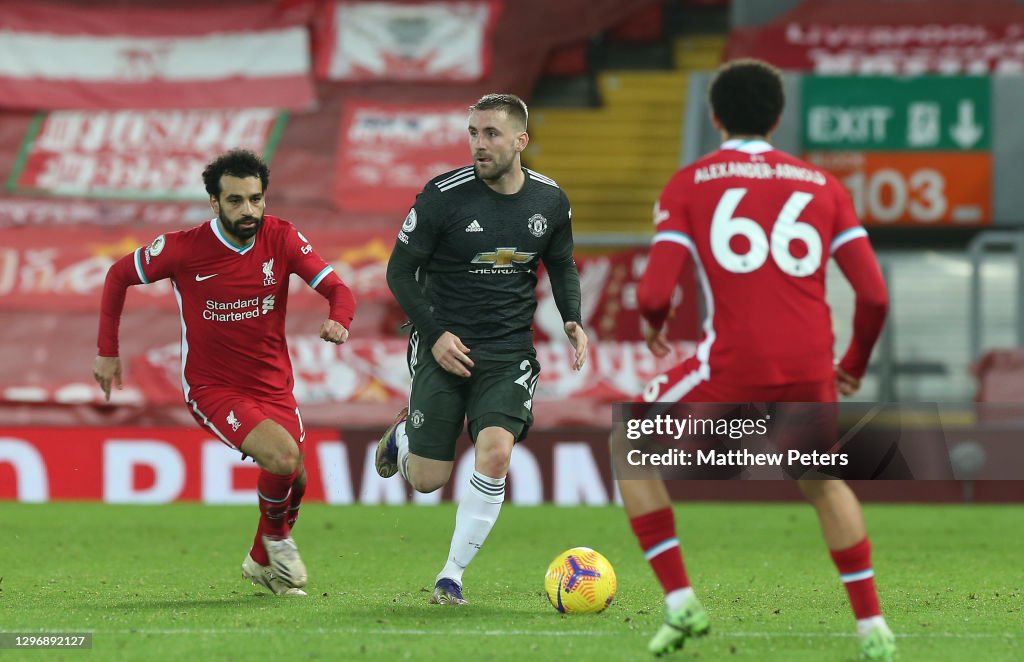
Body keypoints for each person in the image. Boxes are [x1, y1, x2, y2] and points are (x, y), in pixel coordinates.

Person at [612, 60, 895, 660]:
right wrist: (854, 362)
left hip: (733, 366)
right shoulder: (824, 186)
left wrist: (656, 328)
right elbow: (873, 295)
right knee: (822, 481)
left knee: (628, 449)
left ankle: (681, 601)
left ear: (715, 116)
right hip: (811, 366)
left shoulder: (690, 183)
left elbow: (655, 293)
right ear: (778, 116)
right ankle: (873, 629)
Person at [92, 149, 355, 597]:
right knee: (283, 458)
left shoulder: (283, 238)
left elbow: (337, 287)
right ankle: (275, 541)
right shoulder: (183, 248)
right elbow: (118, 274)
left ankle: (259, 563)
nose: (248, 210)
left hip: (273, 384)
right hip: (213, 387)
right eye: (235, 201)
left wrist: (339, 320)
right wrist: (107, 352)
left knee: (298, 479)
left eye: (255, 199)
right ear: (214, 203)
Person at [374, 93, 588, 605]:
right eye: (473, 133)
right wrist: (436, 334)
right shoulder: (441, 197)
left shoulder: (550, 201)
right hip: (443, 345)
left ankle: (451, 576)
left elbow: (560, 263)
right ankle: (405, 437)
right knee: (427, 479)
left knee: (494, 453)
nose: (478, 144)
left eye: (490, 134)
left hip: (509, 351)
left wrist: (572, 317)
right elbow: (398, 272)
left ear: (521, 141)